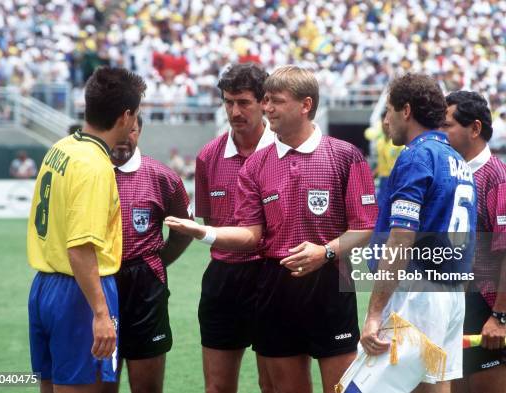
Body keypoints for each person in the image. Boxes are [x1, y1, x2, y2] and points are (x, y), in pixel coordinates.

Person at [166, 65, 378, 393]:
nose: (267, 108)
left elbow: (365, 226)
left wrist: (325, 252)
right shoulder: (256, 164)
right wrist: (204, 233)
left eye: (275, 101)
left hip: (330, 284)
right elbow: (251, 234)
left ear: (306, 105)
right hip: (275, 285)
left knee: (342, 389)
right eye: (265, 100)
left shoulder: (344, 156)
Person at [27, 66, 146, 393]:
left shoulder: (61, 148)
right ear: (125, 116)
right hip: (78, 294)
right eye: (136, 114)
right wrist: (100, 313)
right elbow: (80, 249)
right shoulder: (95, 166)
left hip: (44, 287)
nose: (135, 122)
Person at [360, 73, 476, 392]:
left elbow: (401, 238)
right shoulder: (458, 160)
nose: (386, 121)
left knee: (374, 385)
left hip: (416, 293)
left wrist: (374, 313)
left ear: (406, 110)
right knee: (435, 384)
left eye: (389, 110)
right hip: (450, 294)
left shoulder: (416, 155)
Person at [194, 63, 274, 393]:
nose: (234, 111)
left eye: (243, 102)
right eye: (228, 102)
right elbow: (210, 222)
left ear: (263, 102)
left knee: (273, 385)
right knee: (217, 388)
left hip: (271, 276)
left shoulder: (282, 152)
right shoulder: (208, 156)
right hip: (223, 278)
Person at [103, 114, 193, 393]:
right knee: (104, 383)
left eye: (131, 130)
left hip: (145, 287)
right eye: (117, 129)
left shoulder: (162, 176)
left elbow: (184, 229)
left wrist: (156, 261)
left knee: (147, 387)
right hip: (102, 284)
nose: (123, 137)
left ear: (139, 131)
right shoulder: (91, 173)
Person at [444, 91, 506, 393]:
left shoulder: (499, 179)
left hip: (486, 303)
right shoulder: (450, 173)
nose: (441, 132)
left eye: (447, 125)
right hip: (452, 302)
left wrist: (500, 316)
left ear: (475, 128)